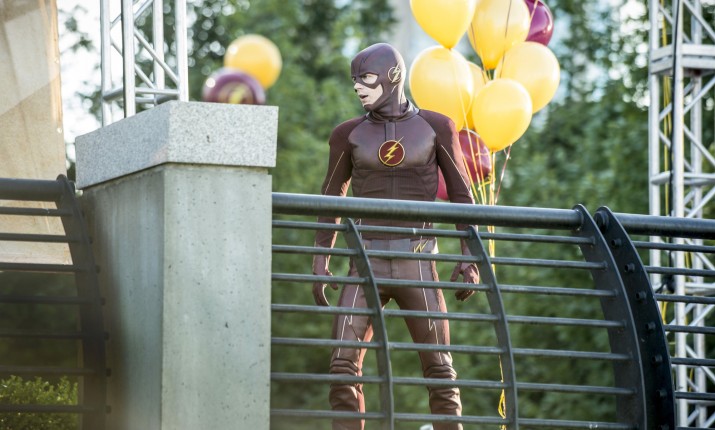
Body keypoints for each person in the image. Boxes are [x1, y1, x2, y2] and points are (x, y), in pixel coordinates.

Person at [312, 42, 479, 430]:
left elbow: (462, 195)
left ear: (392, 76)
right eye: (355, 80)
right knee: (341, 367)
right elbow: (331, 194)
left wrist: (469, 255)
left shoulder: (436, 127)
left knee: (440, 370)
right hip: (365, 261)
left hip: (417, 261)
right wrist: (321, 258)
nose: (358, 86)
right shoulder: (348, 134)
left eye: (366, 78)